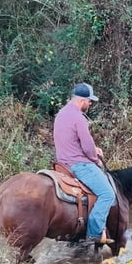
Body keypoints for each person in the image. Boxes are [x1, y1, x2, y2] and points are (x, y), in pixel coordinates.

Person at [53, 82, 116, 244]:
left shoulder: (61, 114)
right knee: (107, 194)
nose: (90, 104)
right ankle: (94, 234)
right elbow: (87, 147)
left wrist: (95, 148)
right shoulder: (79, 118)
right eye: (89, 101)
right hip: (79, 165)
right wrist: (96, 159)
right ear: (82, 100)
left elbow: (72, 140)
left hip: (62, 165)